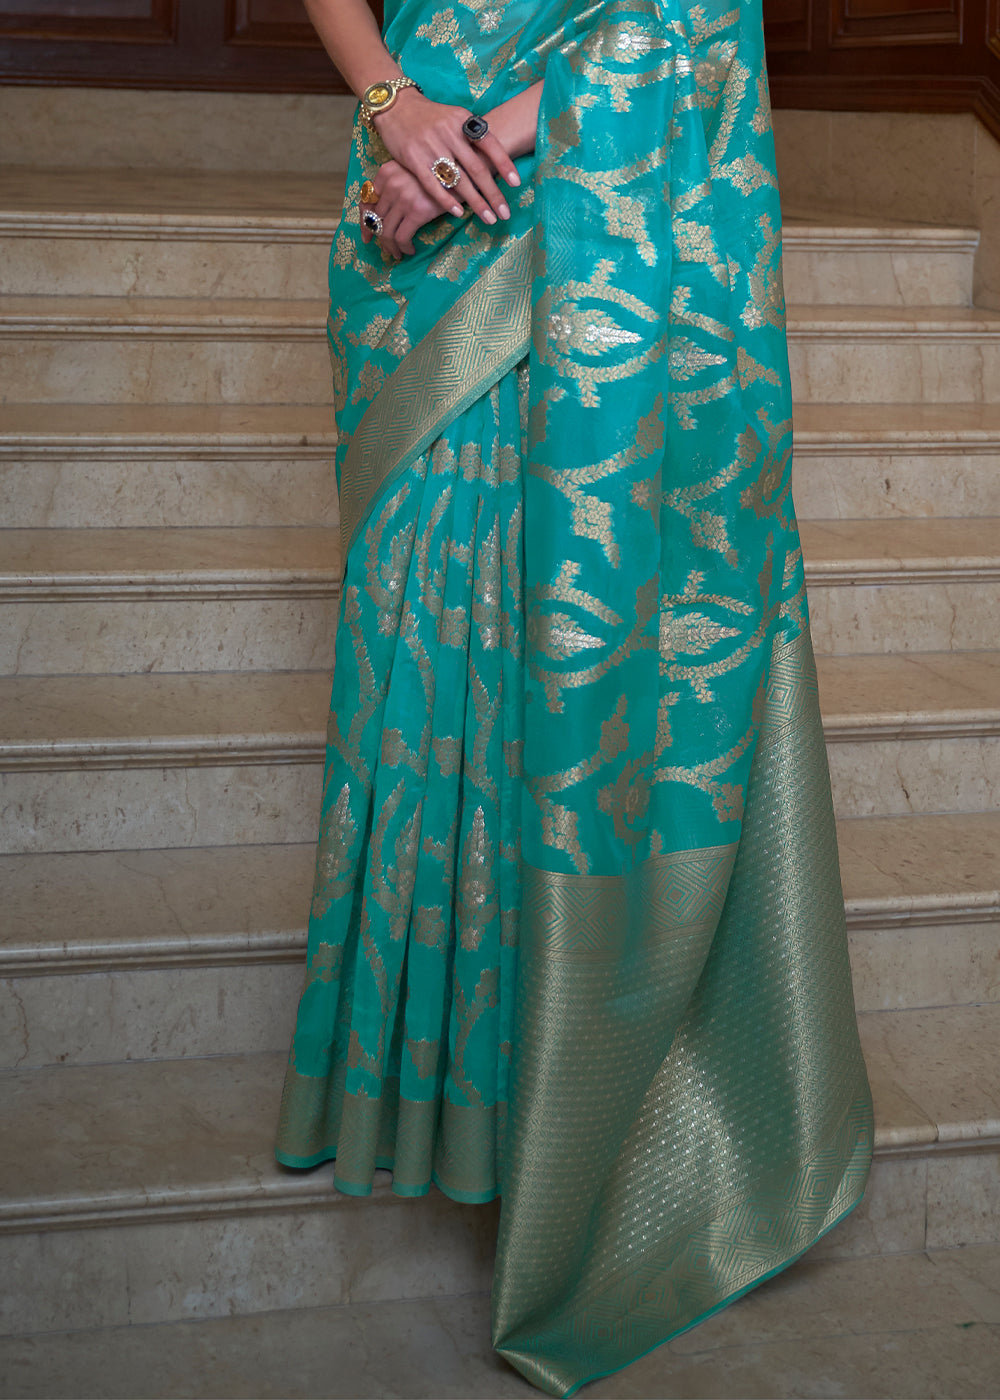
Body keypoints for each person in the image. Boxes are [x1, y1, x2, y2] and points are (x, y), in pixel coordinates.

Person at [275, 1, 875, 1394]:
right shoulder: (405, 135)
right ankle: (426, 1093)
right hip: (414, 197)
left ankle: (557, 1113)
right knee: (428, 638)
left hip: (566, 185)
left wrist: (484, 138)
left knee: (560, 650)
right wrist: (393, 110)